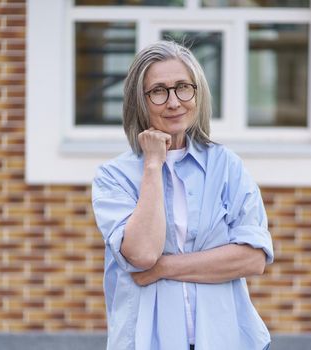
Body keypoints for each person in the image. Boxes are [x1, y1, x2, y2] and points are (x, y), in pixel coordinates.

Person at [92, 40, 274, 350]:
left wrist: (163, 269)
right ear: (140, 101)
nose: (174, 102)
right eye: (159, 92)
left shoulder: (226, 166)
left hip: (228, 339)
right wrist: (152, 165)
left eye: (183, 88)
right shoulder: (114, 177)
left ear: (197, 93)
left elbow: (253, 258)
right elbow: (142, 254)